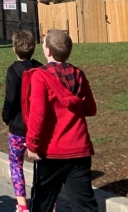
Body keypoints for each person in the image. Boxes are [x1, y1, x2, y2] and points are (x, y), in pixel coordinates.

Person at [23, 28, 98, 212]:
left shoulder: (40, 76)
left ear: (47, 50)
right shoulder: (79, 74)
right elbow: (90, 109)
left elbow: (37, 113)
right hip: (79, 149)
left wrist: (32, 144)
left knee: (42, 203)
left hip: (51, 151)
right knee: (84, 204)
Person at [1, 29, 42, 211]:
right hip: (37, 126)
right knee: (41, 167)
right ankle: (46, 202)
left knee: (16, 164)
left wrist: (6, 116)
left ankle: (22, 205)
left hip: (18, 126)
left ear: (14, 49)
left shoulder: (13, 71)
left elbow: (11, 98)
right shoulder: (40, 68)